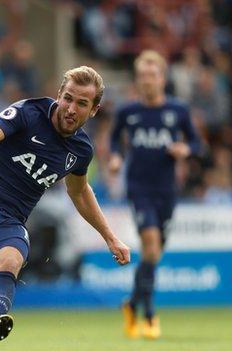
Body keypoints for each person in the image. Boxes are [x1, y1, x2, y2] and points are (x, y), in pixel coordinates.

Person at [0, 66, 131, 351]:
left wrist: (110, 237)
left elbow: (80, 192)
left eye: (81, 103)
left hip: (11, 221)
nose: (71, 108)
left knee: (9, 261)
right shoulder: (28, 113)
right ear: (59, 94)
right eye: (68, 98)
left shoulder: (81, 150)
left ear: (94, 110)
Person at [108, 50, 200, 340]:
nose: (147, 81)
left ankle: (131, 303)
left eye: (153, 75)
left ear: (162, 78)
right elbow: (113, 139)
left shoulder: (178, 111)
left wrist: (186, 150)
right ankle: (149, 315)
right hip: (139, 189)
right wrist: (114, 157)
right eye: (142, 76)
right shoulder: (128, 112)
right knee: (149, 245)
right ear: (137, 80)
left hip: (167, 191)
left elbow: (196, 142)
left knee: (153, 254)